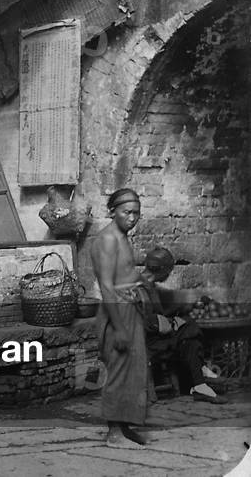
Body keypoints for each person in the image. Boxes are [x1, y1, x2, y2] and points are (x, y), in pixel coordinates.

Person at [91, 187, 149, 448]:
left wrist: (145, 281)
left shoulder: (123, 237)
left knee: (132, 372)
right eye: (127, 212)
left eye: (136, 213)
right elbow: (106, 286)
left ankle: (124, 427)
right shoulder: (107, 240)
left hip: (129, 308)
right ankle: (114, 433)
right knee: (118, 370)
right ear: (112, 211)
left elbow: (125, 275)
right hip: (117, 312)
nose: (132, 218)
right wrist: (119, 328)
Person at [137, 247, 226, 404]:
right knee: (189, 330)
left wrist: (183, 309)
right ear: (162, 269)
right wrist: (164, 323)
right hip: (147, 342)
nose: (168, 275)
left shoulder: (149, 284)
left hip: (154, 336)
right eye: (169, 271)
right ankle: (200, 375)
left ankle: (200, 384)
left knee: (188, 330)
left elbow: (159, 312)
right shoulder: (139, 288)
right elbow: (140, 320)